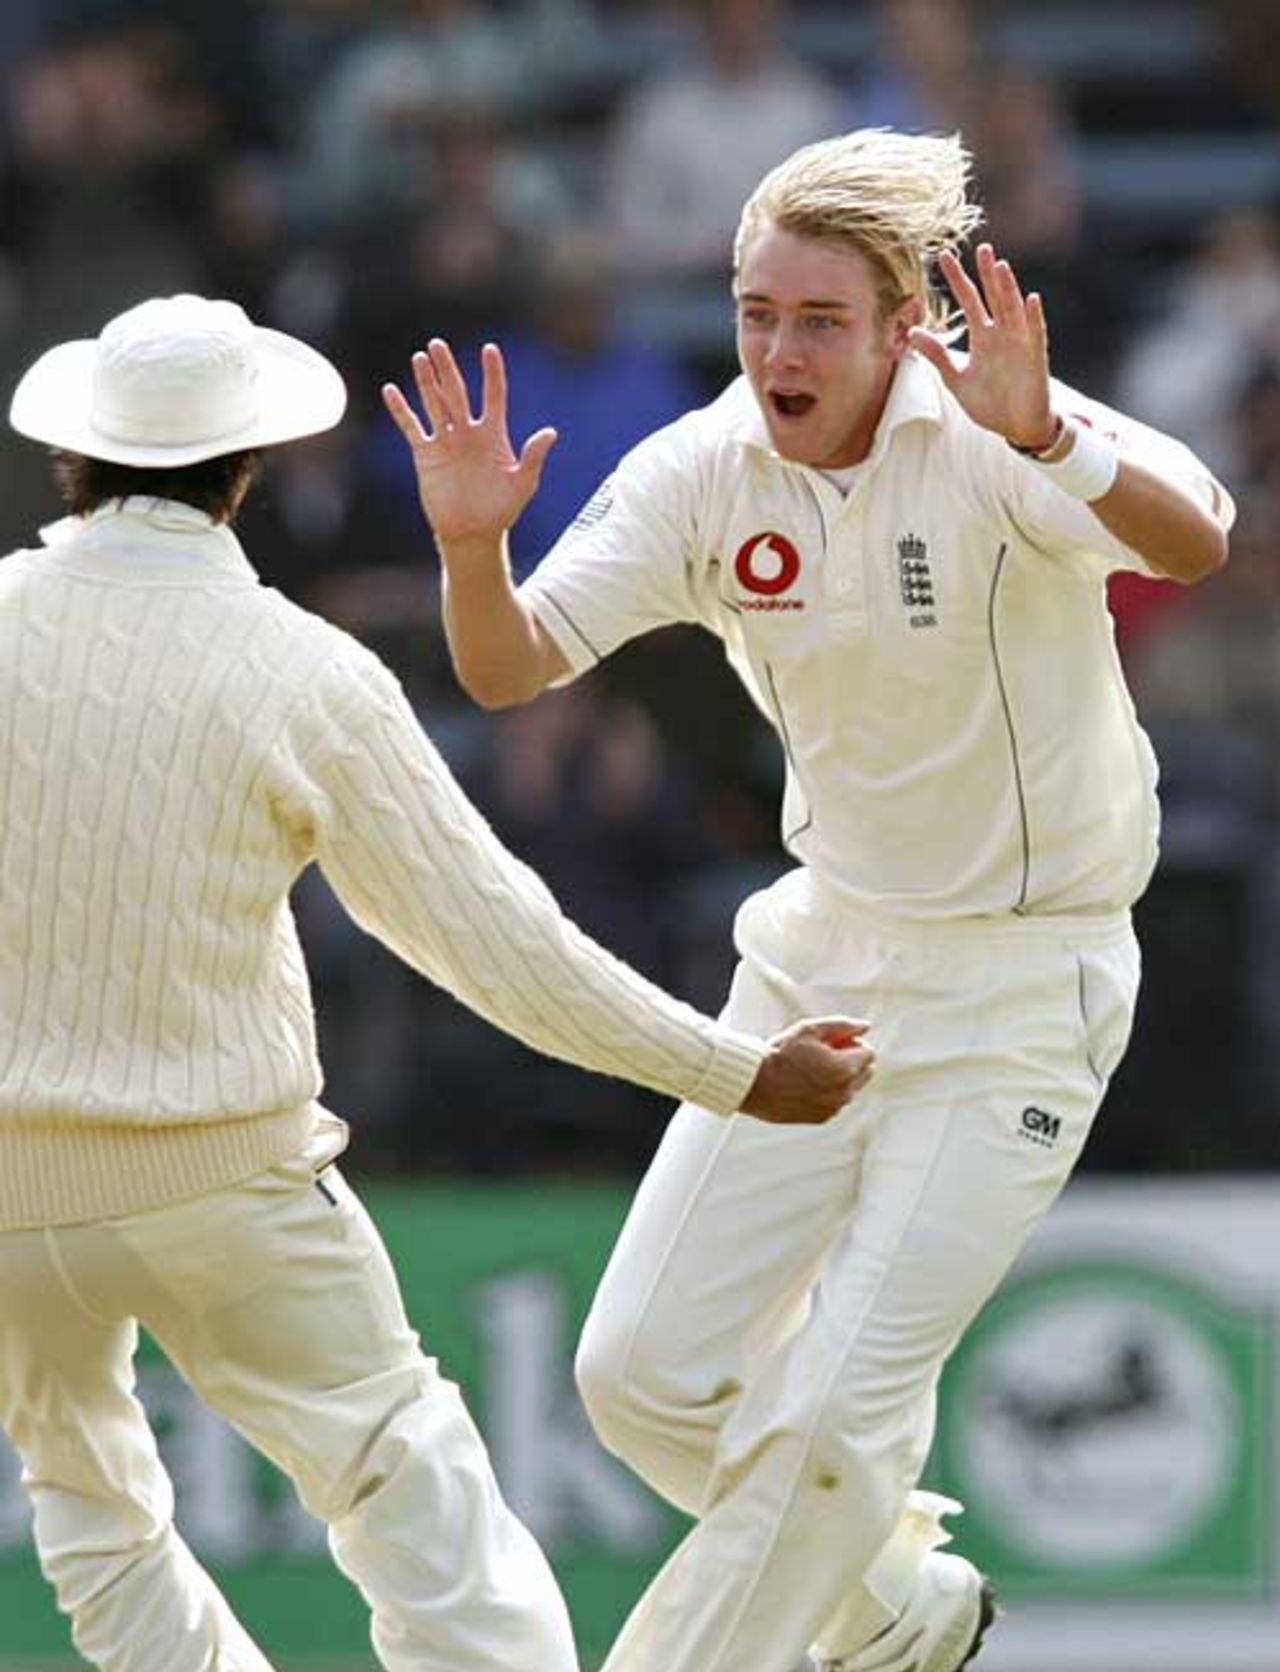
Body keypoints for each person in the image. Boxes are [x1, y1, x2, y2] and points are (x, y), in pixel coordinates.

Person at [383, 126, 1234, 1672]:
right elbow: (508, 667)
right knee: (637, 1377)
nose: (778, 349)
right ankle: (896, 1614)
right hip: (820, 966)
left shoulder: (990, 422)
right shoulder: (704, 469)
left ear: (905, 324)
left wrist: (1053, 440)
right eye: (756, 312)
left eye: (819, 321)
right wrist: (467, 553)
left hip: (1024, 992)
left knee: (839, 1419)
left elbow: (1202, 528)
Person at [0, 293, 875, 1672]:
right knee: (408, 1483)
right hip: (224, 1176)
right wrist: (734, 1070)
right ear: (252, 469)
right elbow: (499, 947)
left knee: (89, 1506)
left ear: (75, 459)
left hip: (11, 1199)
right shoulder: (305, 670)